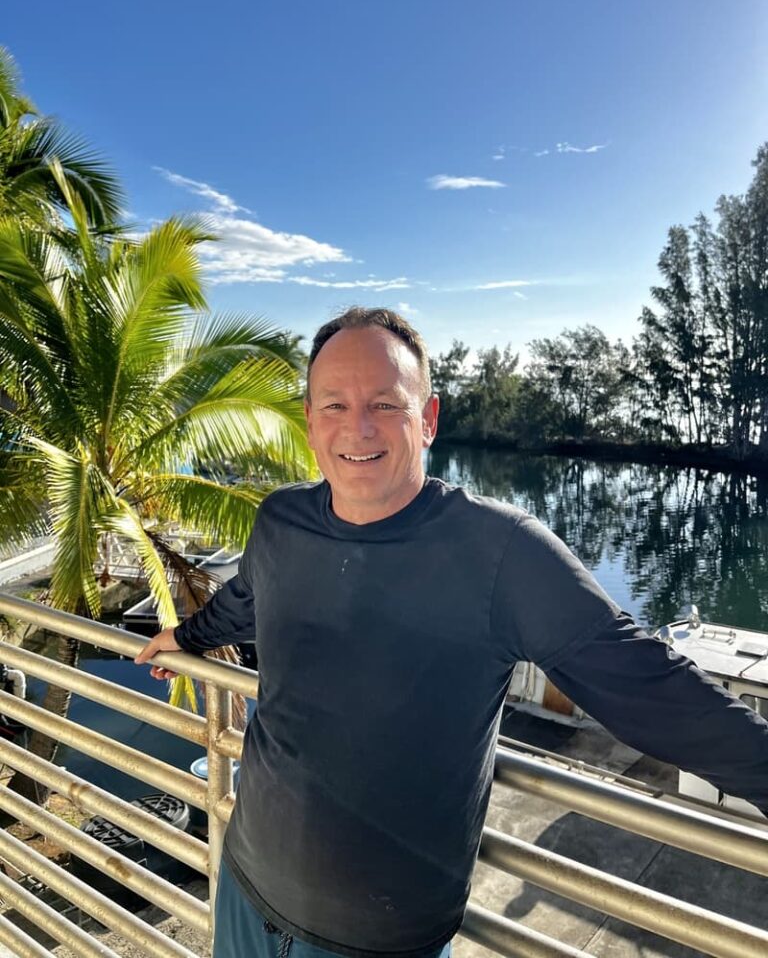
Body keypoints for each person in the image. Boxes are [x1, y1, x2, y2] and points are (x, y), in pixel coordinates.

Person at [136, 306, 768, 958]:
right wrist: (186, 638)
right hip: (246, 884)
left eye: (386, 404)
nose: (357, 426)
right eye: (334, 405)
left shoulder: (501, 553)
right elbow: (246, 598)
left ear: (428, 420)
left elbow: (649, 687)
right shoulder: (281, 522)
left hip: (376, 938)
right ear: (309, 422)